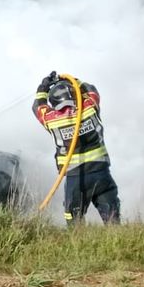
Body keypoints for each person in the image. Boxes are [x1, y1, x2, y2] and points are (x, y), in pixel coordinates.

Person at [33, 72, 120, 225]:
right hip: (101, 173)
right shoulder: (90, 107)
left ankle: (77, 243)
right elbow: (91, 89)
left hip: (76, 177)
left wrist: (43, 87)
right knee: (112, 215)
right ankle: (119, 242)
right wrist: (74, 82)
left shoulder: (52, 119)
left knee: (74, 217)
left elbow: (37, 107)